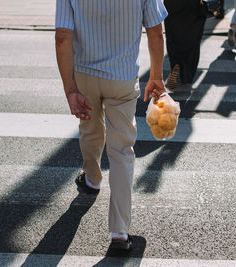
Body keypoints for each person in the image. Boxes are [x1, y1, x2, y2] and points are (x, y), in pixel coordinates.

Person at [55, 0, 167, 250]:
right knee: (121, 151)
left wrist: (70, 88)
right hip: (123, 76)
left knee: (89, 127)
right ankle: (119, 232)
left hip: (85, 73)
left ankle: (92, 178)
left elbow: (62, 37)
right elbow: (155, 30)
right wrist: (157, 76)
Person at [164, 0, 207, 89]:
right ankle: (187, 75)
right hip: (192, 5)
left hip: (172, 4)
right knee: (193, 38)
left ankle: (176, 64)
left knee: (173, 35)